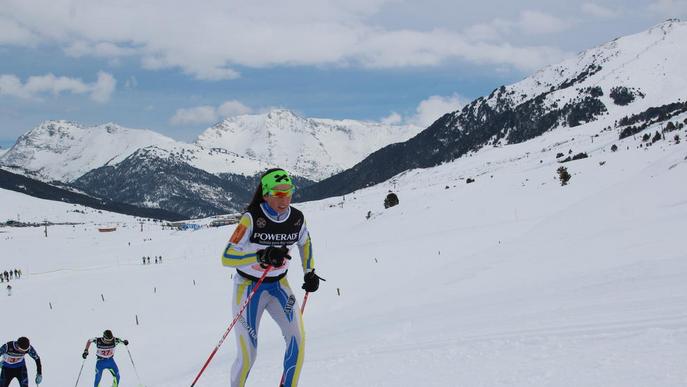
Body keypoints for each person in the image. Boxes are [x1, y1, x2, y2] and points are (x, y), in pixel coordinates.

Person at [221, 168, 322, 387]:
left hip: (278, 286)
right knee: (248, 354)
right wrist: (260, 255)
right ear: (266, 194)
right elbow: (227, 256)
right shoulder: (252, 218)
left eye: (288, 192)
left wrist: (310, 271)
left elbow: (305, 242)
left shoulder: (296, 218)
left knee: (298, 342)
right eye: (278, 194)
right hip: (249, 287)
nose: (284, 199)